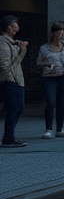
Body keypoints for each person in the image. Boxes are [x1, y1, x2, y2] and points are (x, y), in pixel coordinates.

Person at [36, 20, 64, 139]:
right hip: (49, 77)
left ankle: (59, 128)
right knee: (50, 102)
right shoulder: (44, 48)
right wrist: (47, 63)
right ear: (53, 34)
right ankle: (48, 129)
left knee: (62, 103)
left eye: (62, 33)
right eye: (59, 33)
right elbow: (38, 63)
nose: (61, 35)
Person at [1, 14, 29, 147]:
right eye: (15, 27)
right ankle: (8, 138)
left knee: (18, 108)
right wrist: (10, 79)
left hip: (17, 79)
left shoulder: (11, 43)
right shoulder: (2, 42)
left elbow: (17, 62)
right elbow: (5, 64)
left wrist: (22, 50)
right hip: (10, 80)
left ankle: (9, 136)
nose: (17, 29)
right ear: (8, 27)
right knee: (14, 108)